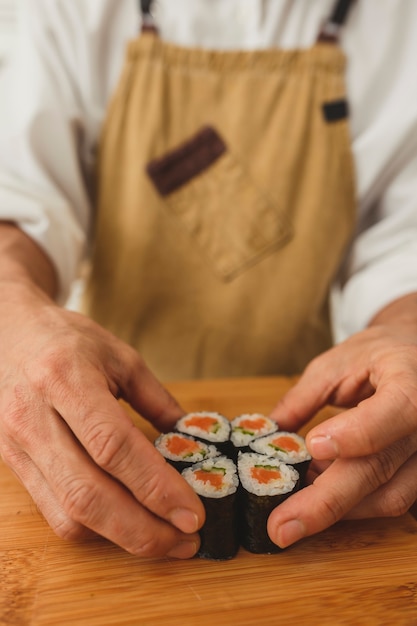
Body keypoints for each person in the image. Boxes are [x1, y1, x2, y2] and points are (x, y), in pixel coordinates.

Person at [1, 0, 417, 558]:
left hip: (307, 425)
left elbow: (404, 247)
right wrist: (10, 307)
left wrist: (409, 336)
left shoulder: (401, 24)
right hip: (100, 410)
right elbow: (19, 198)